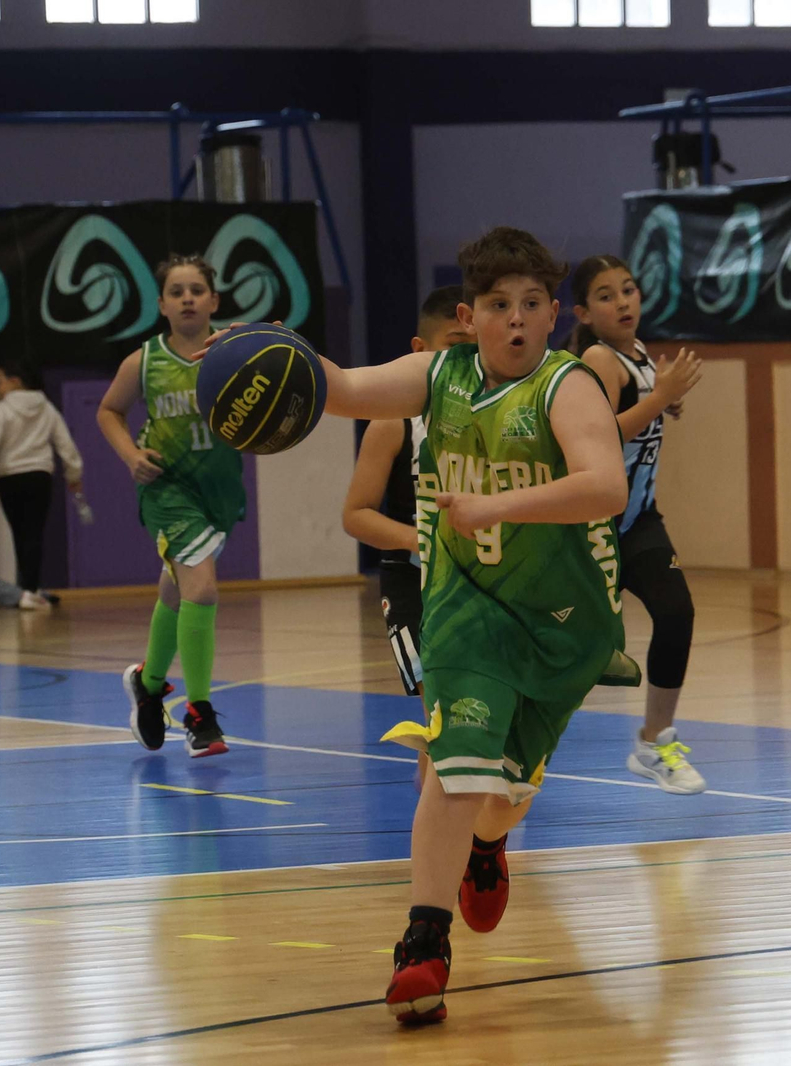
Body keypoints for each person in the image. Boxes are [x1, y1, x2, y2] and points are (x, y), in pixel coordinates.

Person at [305, 226, 629, 1026]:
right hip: (464, 607)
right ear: (467, 316)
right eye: (496, 305)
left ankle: (490, 847)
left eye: (529, 305)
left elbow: (607, 486)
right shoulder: (436, 375)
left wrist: (494, 504)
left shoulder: (569, 384)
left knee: (505, 796)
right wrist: (261, 352)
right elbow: (342, 386)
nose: (515, 320)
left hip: (563, 624)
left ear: (554, 313)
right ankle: (424, 943)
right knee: (455, 767)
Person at [98, 254, 245, 759]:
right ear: (161, 304)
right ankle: (198, 713)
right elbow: (109, 411)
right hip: (166, 487)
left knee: (178, 590)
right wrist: (130, 455)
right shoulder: (145, 360)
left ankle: (150, 680)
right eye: (177, 291)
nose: (187, 298)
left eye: (197, 290)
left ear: (214, 301)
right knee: (201, 588)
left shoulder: (234, 350)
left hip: (218, 489)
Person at [571, 254, 707, 794]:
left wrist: (661, 403)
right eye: (606, 295)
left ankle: (654, 742)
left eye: (628, 289)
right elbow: (598, 436)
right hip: (588, 530)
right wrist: (659, 399)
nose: (623, 301)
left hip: (638, 521)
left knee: (677, 613)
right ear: (583, 311)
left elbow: (639, 416)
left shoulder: (640, 355)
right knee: (571, 653)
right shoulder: (600, 361)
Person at [342, 285, 470, 698]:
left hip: (480, 575)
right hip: (412, 578)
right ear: (419, 349)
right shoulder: (393, 423)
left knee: (479, 712)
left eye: (475, 346)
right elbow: (356, 514)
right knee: (441, 709)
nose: (466, 358)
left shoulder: (497, 415)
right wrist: (421, 539)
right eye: (454, 345)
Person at [0, 361, 84, 611]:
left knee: (20, 534)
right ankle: (30, 589)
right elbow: (65, 443)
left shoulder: (1, 412)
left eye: (0, 381)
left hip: (10, 478)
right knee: (34, 534)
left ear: (15, 382)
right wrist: (74, 474)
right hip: (39, 477)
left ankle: (27, 590)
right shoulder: (47, 408)